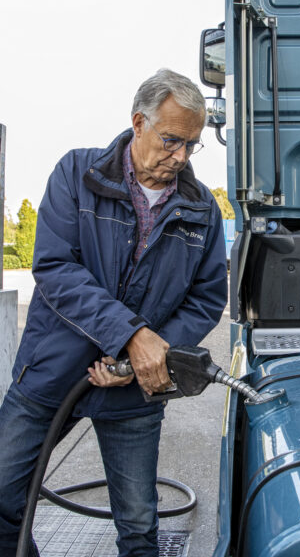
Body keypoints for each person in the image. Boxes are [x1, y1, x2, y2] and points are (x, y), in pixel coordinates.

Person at [0, 69, 228, 556]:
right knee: (2, 496)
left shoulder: (201, 207)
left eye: (191, 145)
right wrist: (133, 336)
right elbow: (56, 267)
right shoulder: (78, 175)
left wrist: (148, 355)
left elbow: (207, 298)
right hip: (52, 373)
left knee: (140, 526)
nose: (181, 157)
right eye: (171, 140)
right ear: (138, 122)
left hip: (135, 388)